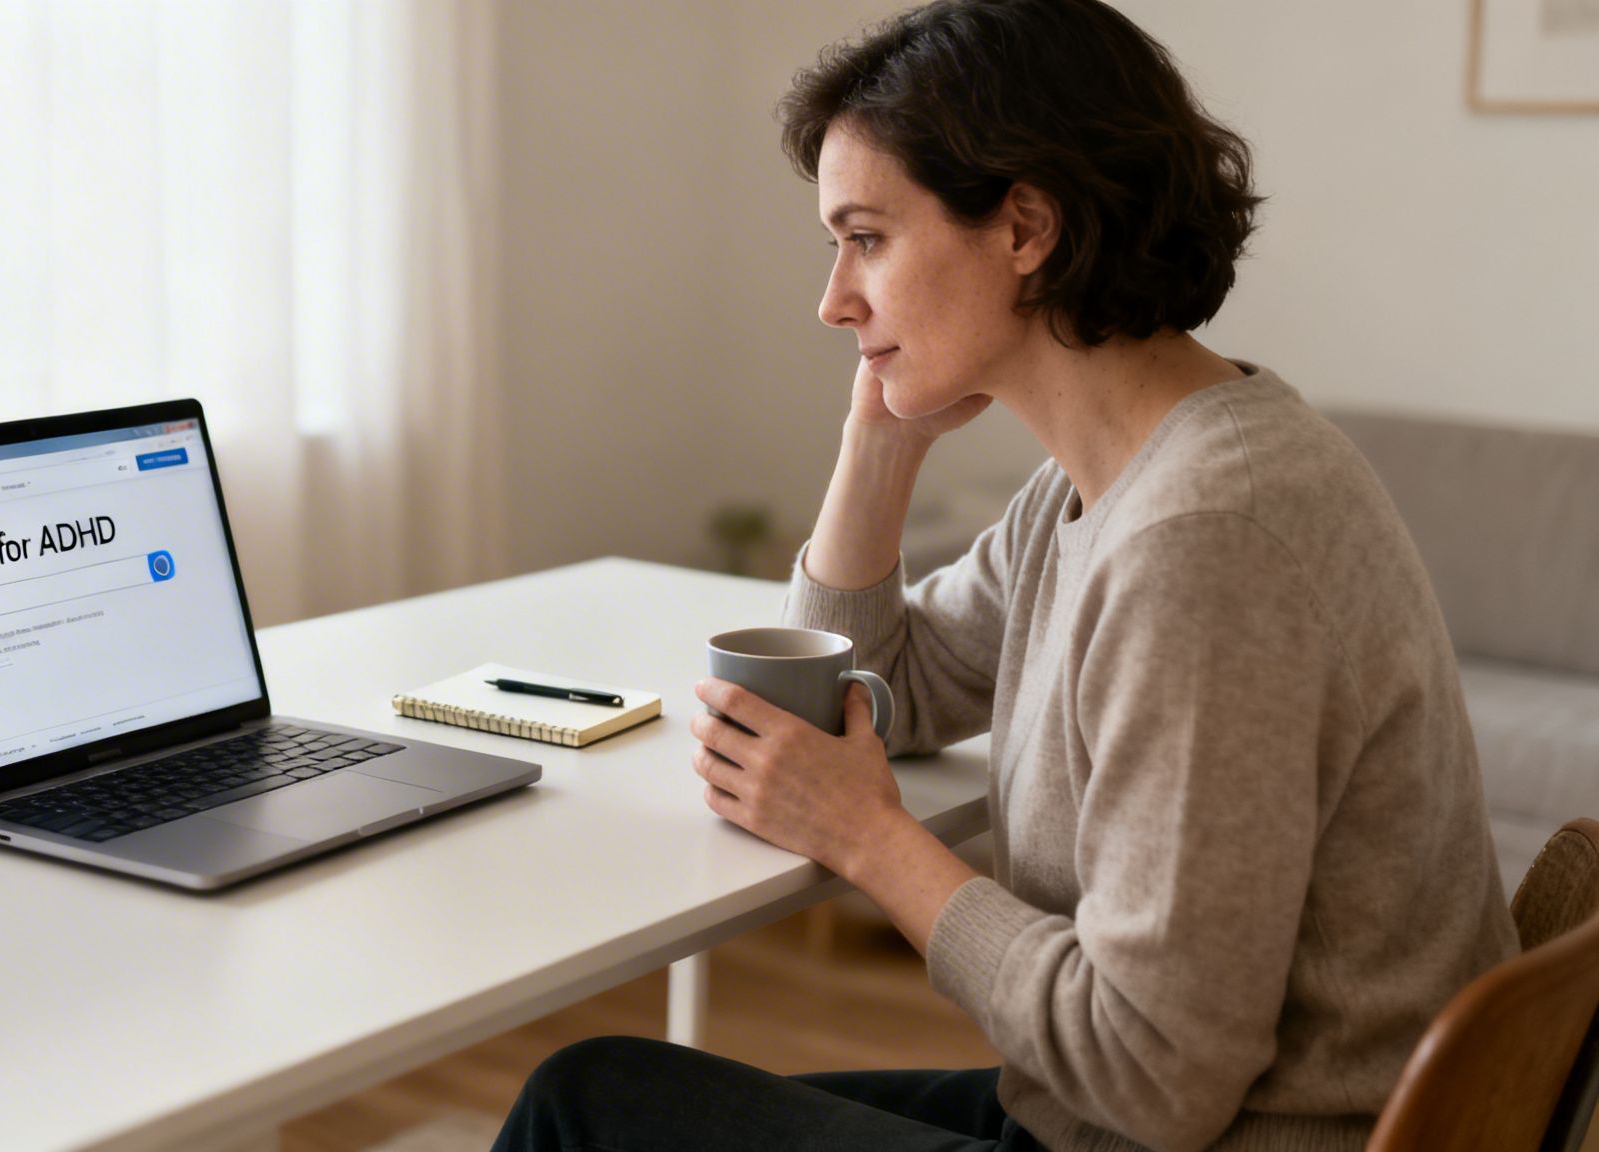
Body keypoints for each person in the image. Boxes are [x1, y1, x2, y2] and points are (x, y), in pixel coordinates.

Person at [491, 2, 1518, 1150]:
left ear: (1024, 227)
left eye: (866, 239)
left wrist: (870, 840)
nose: (832, 301)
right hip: (1133, 1117)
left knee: (585, 1104)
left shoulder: (1200, 539)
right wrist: (878, 439)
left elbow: (1154, 1076)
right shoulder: (1118, 475)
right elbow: (874, 691)